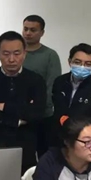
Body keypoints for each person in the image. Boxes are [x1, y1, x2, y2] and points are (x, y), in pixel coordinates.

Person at [0, 31, 46, 174]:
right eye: (6, 54)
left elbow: (37, 113)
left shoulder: (36, 80)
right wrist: (19, 119)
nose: (11, 59)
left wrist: (5, 107)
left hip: (26, 145)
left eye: (16, 53)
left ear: (24, 53)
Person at [52, 44, 91, 141]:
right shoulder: (59, 81)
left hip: (85, 141)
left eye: (88, 64)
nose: (82, 67)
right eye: (77, 62)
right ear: (69, 62)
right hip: (59, 138)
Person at [22, 15, 61, 158]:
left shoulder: (50, 55)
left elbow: (52, 85)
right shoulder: (17, 54)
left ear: (42, 33)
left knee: (45, 155)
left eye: (33, 30)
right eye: (25, 29)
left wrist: (39, 107)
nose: (28, 33)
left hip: (44, 116)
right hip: (20, 116)